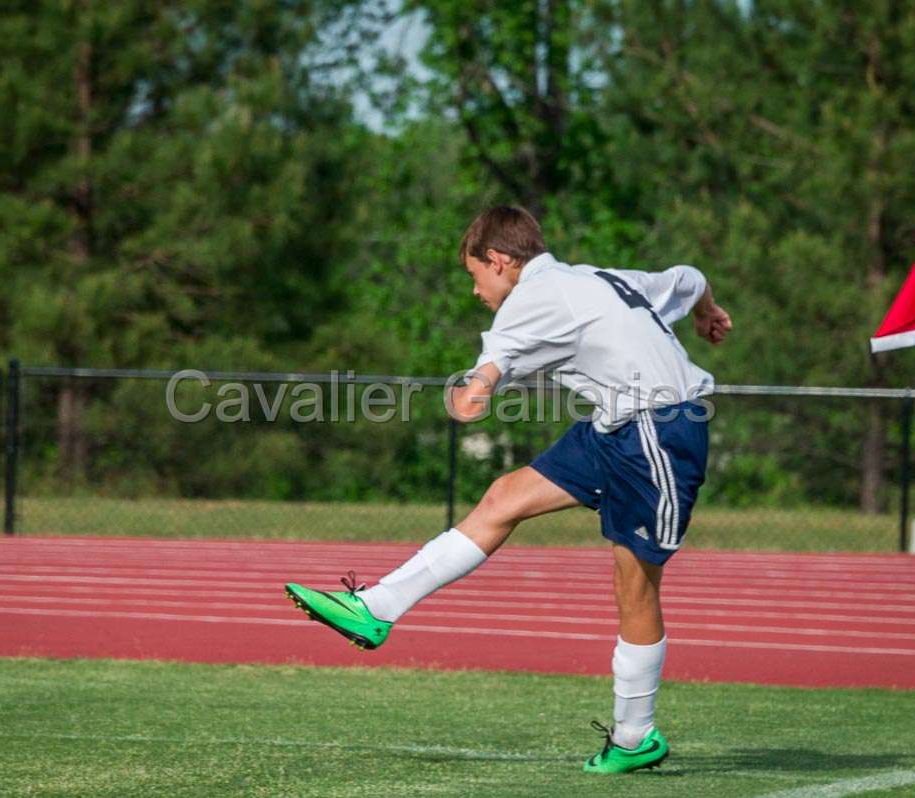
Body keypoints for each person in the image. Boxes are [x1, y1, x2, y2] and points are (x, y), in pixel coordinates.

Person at [285, 205, 732, 774]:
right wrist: (708, 310)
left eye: (475, 275)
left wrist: (470, 394)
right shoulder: (596, 276)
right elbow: (689, 277)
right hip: (616, 427)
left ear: (499, 260)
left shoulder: (531, 299)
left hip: (658, 432)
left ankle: (635, 735)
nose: (476, 291)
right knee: (504, 498)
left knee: (635, 586)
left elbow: (484, 380)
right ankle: (375, 607)